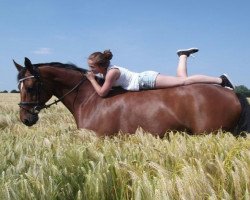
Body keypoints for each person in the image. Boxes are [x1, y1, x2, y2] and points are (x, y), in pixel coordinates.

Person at [86, 48, 234, 97]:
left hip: (146, 80)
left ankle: (221, 80)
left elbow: (102, 93)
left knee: (184, 82)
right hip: (144, 80)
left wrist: (92, 80)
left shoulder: (111, 73)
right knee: (183, 80)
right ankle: (183, 56)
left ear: (101, 66)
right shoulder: (105, 72)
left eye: (92, 67)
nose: (91, 70)